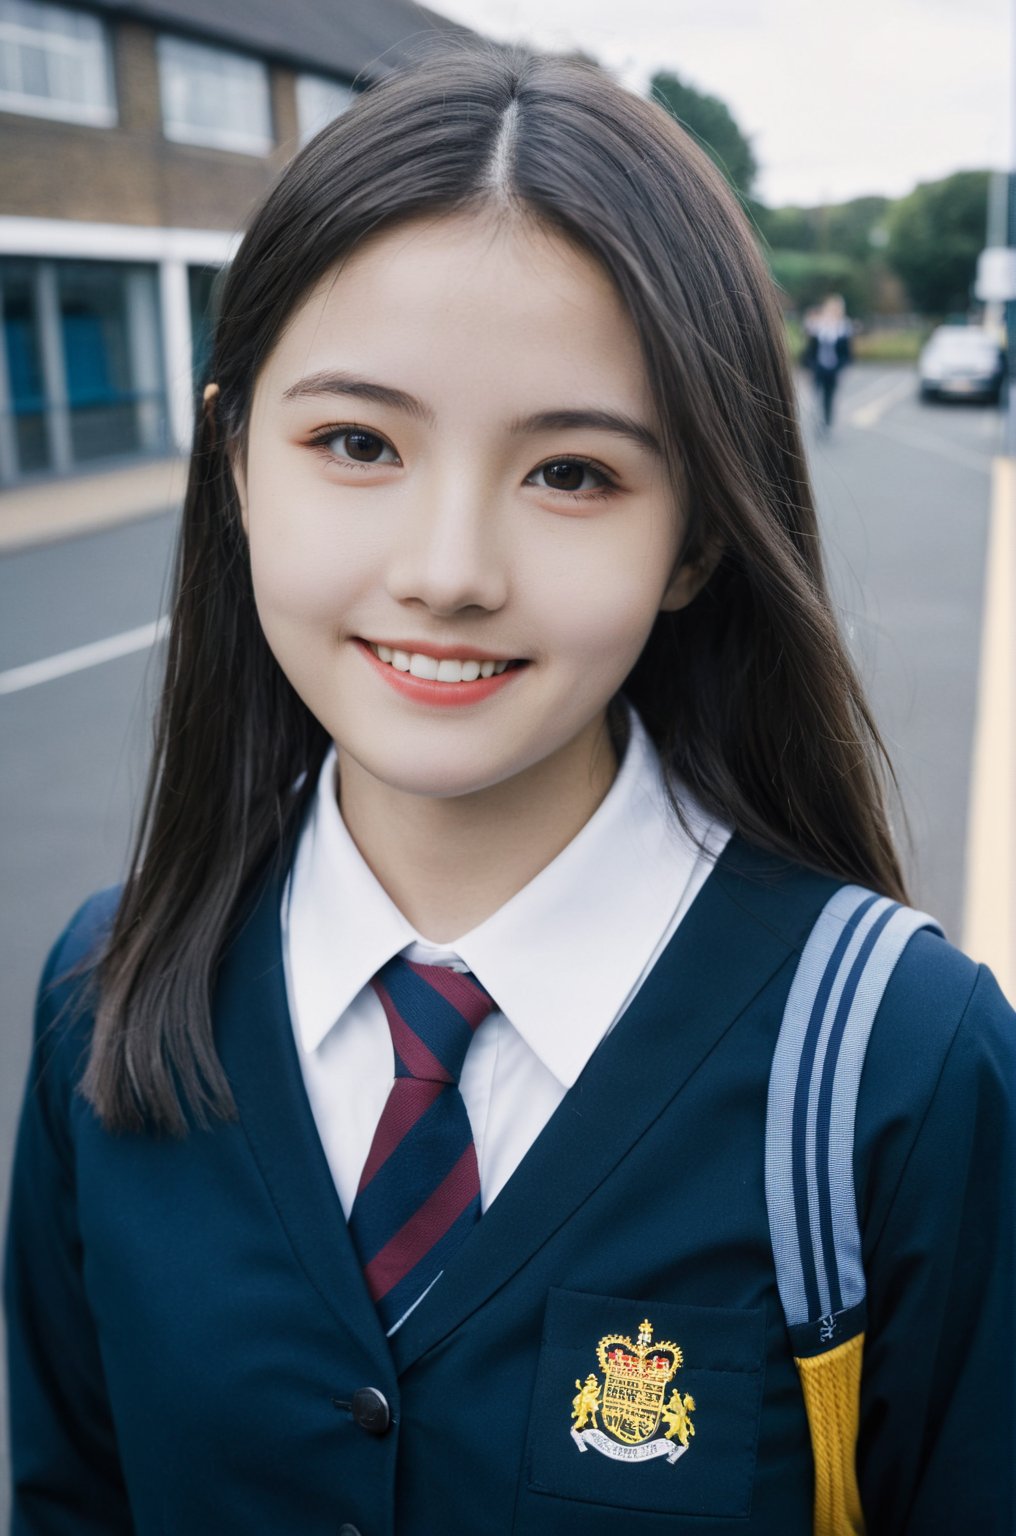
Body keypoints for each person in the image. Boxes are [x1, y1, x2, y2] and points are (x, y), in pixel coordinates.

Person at [4, 44, 1013, 1536]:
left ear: (698, 540)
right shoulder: (107, 992)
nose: (448, 571)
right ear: (232, 458)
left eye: (574, 475)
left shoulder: (901, 1072)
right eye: (356, 443)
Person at [803, 294, 853, 431]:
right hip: (818, 368)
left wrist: (842, 368)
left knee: (829, 398)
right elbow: (810, 349)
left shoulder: (843, 328)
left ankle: (827, 424)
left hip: (833, 369)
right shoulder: (818, 327)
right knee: (815, 395)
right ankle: (816, 421)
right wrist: (808, 366)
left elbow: (847, 353)